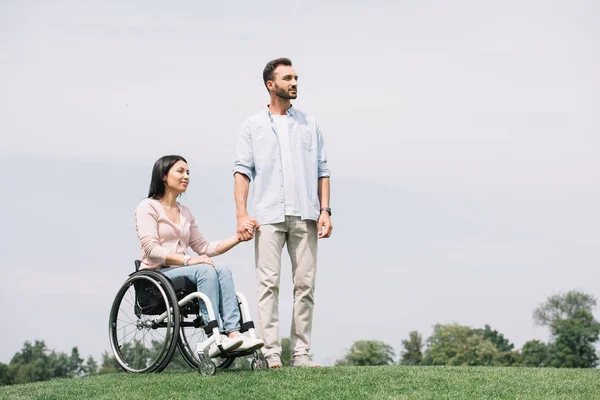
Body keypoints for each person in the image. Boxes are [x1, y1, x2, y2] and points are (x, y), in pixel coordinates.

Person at [233, 58, 333, 368]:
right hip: (268, 216)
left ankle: (301, 354)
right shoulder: (252, 125)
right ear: (270, 84)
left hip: (306, 214)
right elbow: (242, 171)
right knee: (268, 285)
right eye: (288, 78)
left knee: (305, 285)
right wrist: (242, 215)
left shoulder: (310, 123)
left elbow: (322, 169)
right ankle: (270, 353)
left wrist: (325, 210)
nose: (294, 83)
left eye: (296, 78)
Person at [135, 155, 263, 358]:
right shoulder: (147, 207)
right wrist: (189, 260)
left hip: (186, 272)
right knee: (205, 269)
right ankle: (213, 334)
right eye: (180, 171)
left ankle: (233, 332)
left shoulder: (185, 212)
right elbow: (152, 250)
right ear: (164, 175)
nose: (186, 176)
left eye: (188, 172)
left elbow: (204, 248)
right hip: (157, 276)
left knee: (223, 269)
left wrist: (238, 238)